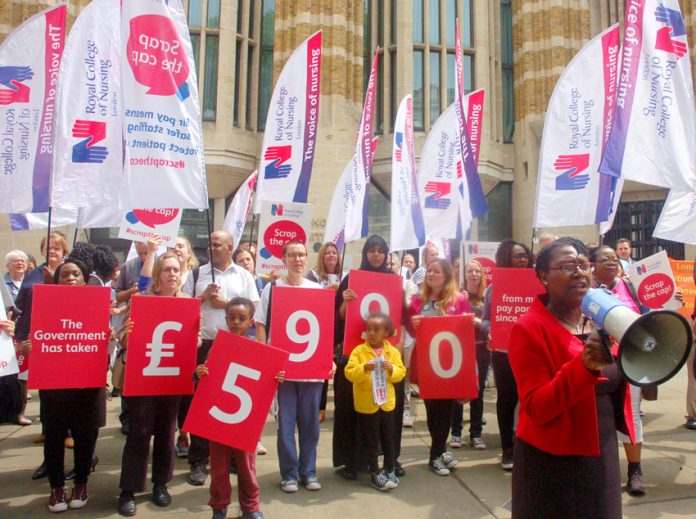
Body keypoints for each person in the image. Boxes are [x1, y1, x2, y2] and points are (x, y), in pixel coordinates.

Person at [508, 238, 634, 519]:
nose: (579, 272)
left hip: (601, 453)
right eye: (567, 266)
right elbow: (536, 406)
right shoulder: (528, 329)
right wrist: (584, 367)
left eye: (583, 265)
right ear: (543, 276)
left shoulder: (603, 319)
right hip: (554, 462)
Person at [117, 252, 193, 516]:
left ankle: (161, 484)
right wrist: (127, 335)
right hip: (144, 378)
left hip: (172, 379)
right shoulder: (141, 302)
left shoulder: (187, 304)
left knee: (166, 433)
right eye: (167, 270)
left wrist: (194, 338)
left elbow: (190, 346)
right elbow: (126, 342)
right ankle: (128, 488)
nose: (172, 274)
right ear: (158, 275)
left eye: (176, 269)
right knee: (138, 433)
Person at [31, 260, 107, 512]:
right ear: (56, 280)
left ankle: (81, 484)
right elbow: (37, 338)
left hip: (87, 384)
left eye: (77, 274)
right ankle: (56, 488)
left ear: (85, 280)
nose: (71, 277)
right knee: (54, 437)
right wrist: (29, 346)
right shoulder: (44, 306)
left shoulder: (97, 306)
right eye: (65, 274)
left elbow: (103, 345)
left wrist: (109, 336)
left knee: (85, 437)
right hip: (55, 385)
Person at [196, 297, 283, 519]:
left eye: (241, 318)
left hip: (245, 419)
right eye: (232, 317)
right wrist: (201, 372)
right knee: (219, 468)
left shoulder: (257, 348)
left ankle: (251, 506)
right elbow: (207, 375)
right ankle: (219, 506)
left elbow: (264, 380)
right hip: (219, 416)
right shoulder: (218, 344)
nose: (236, 322)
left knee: (246, 466)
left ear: (251, 322)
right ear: (225, 319)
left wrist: (276, 376)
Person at [254, 240, 330, 493]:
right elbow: (261, 324)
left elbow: (324, 329)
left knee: (311, 425)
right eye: (292, 255)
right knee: (285, 424)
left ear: (307, 258)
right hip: (283, 371)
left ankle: (308, 472)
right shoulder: (272, 289)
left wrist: (327, 360)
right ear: (284, 259)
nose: (297, 259)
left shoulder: (317, 289)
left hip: (311, 372)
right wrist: (266, 357)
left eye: (301, 255)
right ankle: (289, 473)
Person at [189, 231, 260, 486]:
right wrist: (203, 298)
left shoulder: (243, 275)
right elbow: (184, 306)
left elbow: (255, 305)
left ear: (230, 247)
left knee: (231, 402)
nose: (211, 247)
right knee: (201, 404)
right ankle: (198, 460)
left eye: (217, 244)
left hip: (235, 347)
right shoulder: (197, 274)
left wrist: (226, 303)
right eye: (209, 243)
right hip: (206, 345)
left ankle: (232, 456)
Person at [333, 235, 406, 480]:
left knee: (387, 416)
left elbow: (400, 317)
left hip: (385, 358)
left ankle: (390, 461)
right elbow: (338, 319)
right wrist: (344, 301)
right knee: (353, 411)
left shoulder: (395, 281)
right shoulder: (351, 280)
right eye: (372, 251)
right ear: (365, 253)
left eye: (381, 251)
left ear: (386, 255)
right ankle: (353, 462)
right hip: (356, 356)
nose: (376, 255)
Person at [590, 244, 648, 496]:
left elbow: (649, 315)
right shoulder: (586, 291)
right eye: (605, 260)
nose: (611, 263)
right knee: (599, 417)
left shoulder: (630, 287)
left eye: (614, 259)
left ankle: (635, 470)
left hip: (630, 361)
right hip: (599, 364)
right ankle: (602, 471)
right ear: (593, 265)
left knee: (631, 414)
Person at [407, 258, 472, 476]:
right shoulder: (417, 300)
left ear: (446, 276)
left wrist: (467, 321)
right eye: (429, 272)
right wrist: (413, 323)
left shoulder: (460, 299)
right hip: (428, 364)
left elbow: (465, 333)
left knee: (448, 409)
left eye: (436, 272)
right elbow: (409, 328)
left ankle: (439, 450)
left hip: (451, 363)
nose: (431, 275)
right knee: (434, 409)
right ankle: (436, 454)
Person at [481, 238, 533, 470]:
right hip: (503, 352)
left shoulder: (538, 283)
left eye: (525, 255)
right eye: (517, 256)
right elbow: (485, 320)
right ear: (506, 259)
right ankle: (507, 449)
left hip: (532, 352)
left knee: (531, 399)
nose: (523, 259)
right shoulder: (494, 287)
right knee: (507, 399)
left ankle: (529, 445)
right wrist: (491, 330)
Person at [345, 312, 406, 491]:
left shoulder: (392, 352)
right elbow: (349, 373)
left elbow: (400, 374)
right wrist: (363, 368)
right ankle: (375, 472)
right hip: (367, 404)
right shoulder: (359, 351)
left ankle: (390, 468)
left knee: (388, 438)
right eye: (369, 329)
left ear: (386, 332)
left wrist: (392, 369)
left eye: (377, 330)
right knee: (371, 440)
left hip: (386, 403)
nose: (371, 333)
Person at [450, 260, 488, 450]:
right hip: (462, 348)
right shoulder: (459, 295)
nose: (474, 274)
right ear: (464, 274)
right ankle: (456, 433)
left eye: (477, 271)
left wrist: (477, 321)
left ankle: (476, 434)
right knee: (459, 390)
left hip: (482, 348)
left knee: (478, 392)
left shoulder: (486, 296)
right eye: (470, 271)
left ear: (481, 275)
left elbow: (491, 322)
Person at [305, 242, 343, 422]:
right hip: (320, 324)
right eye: (327, 253)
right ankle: (320, 407)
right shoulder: (312, 275)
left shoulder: (345, 275)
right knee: (323, 368)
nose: (331, 256)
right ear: (322, 256)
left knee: (340, 368)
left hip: (339, 325)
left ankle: (339, 407)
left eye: (334, 253)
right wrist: (328, 290)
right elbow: (308, 298)